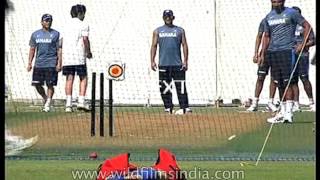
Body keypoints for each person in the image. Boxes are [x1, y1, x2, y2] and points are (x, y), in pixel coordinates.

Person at [261, 0, 311, 123]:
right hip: (273, 52)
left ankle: (289, 113)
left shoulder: (292, 13)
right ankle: (282, 112)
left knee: (288, 81)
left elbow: (307, 26)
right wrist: (263, 53)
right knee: (278, 82)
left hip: (287, 51)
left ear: (283, 1)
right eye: (274, 1)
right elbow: (266, 36)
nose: (276, 3)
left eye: (278, 1)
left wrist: (302, 44)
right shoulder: (269, 16)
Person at [150, 9, 191, 114]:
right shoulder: (157, 31)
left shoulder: (180, 30)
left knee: (180, 85)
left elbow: (184, 45)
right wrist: (152, 61)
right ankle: (168, 107)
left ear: (173, 17)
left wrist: (185, 61)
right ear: (163, 18)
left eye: (169, 16)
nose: (168, 18)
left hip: (177, 64)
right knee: (164, 87)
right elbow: (154, 46)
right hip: (163, 64)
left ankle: (184, 107)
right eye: (166, 16)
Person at [27, 14, 62, 112]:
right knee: (37, 84)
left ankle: (48, 104)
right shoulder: (35, 34)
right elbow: (32, 49)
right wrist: (29, 63)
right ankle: (46, 98)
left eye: (49, 20)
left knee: (50, 84)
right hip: (39, 64)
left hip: (51, 63)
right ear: (42, 22)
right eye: (46, 21)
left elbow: (59, 49)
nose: (48, 22)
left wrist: (59, 63)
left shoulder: (56, 34)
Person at [62, 4, 92, 112]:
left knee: (69, 78)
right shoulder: (83, 24)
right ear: (80, 13)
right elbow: (85, 39)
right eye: (83, 13)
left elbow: (61, 41)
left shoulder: (65, 24)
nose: (84, 16)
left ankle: (68, 105)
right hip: (79, 56)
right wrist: (88, 52)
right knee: (83, 77)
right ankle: (81, 101)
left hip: (67, 57)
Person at [247, 17, 278, 112]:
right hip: (264, 54)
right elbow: (259, 36)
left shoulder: (281, 21)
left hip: (277, 52)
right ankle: (255, 102)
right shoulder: (265, 20)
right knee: (260, 77)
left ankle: (270, 102)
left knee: (274, 78)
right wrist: (256, 53)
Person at [290, 6, 315, 112]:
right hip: (291, 55)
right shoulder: (288, 26)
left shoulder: (305, 26)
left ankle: (311, 102)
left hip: (303, 55)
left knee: (304, 78)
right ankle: (296, 103)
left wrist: (303, 46)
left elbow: (313, 40)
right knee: (293, 79)